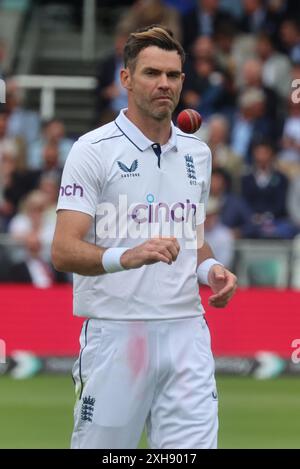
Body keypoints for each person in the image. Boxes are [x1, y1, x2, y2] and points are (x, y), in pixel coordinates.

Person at [52, 25, 237, 450]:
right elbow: (63, 250)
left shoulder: (198, 153)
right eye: (152, 73)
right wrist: (126, 256)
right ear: (126, 79)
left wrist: (211, 270)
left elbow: (192, 238)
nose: (164, 84)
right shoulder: (92, 150)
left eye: (173, 76)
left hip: (188, 332)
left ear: (183, 82)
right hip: (118, 332)